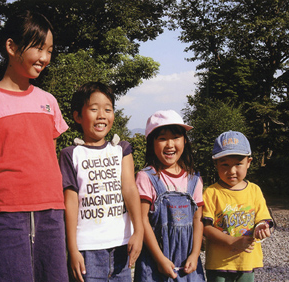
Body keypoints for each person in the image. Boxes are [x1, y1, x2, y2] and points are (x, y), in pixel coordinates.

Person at [0, 10, 69, 282]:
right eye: (38, 48)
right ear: (11, 47)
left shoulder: (49, 101)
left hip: (52, 213)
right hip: (4, 216)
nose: (45, 58)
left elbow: (46, 157)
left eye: (50, 50)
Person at [60, 82, 144, 282]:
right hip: (87, 249)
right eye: (94, 109)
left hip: (121, 246)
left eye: (108, 109)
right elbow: (70, 203)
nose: (101, 115)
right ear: (78, 116)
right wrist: (72, 248)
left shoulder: (121, 149)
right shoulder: (70, 154)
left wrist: (138, 231)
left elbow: (130, 189)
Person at [134, 110, 205, 282]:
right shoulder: (146, 177)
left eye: (175, 137)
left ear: (185, 141)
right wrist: (160, 259)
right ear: (152, 143)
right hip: (154, 263)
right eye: (162, 138)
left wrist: (195, 255)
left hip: (188, 264)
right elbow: (142, 220)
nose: (170, 144)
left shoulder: (194, 179)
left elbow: (198, 220)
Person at [203, 130, 274, 282]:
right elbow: (206, 228)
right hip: (218, 264)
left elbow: (265, 219)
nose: (232, 171)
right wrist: (232, 241)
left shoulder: (254, 190)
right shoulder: (211, 192)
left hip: (246, 261)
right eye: (225, 165)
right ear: (216, 164)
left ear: (248, 163)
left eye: (238, 164)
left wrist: (263, 227)